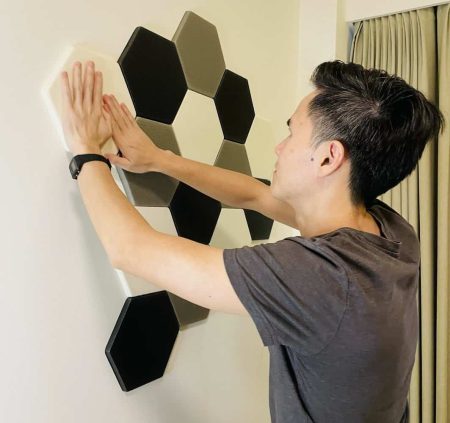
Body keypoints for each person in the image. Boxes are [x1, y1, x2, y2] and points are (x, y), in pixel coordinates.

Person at [60, 59, 444, 423]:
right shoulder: (390, 232)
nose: (279, 146)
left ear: (328, 159)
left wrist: (86, 151)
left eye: (291, 131)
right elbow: (256, 196)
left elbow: (131, 250)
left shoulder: (321, 278)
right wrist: (160, 160)